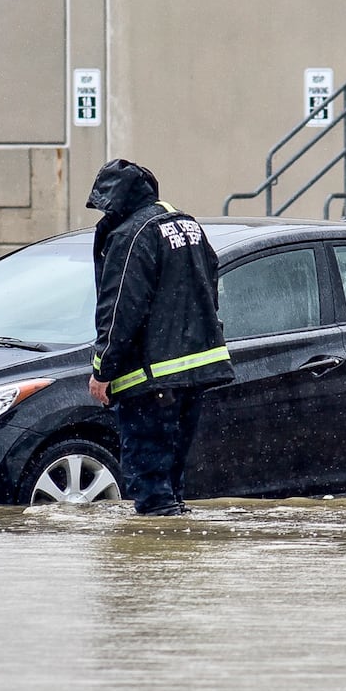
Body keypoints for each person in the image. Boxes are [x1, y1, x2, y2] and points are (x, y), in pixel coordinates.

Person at [86, 159, 234, 516]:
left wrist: (102, 369)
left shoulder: (131, 235)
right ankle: (178, 560)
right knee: (171, 480)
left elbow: (120, 308)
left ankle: (154, 563)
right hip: (196, 372)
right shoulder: (187, 225)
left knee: (151, 487)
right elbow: (209, 288)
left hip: (151, 379)